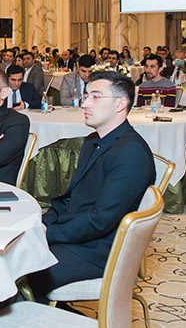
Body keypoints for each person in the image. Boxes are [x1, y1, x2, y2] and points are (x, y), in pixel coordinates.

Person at [27, 71, 155, 299]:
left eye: (96, 97)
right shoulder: (93, 141)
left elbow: (101, 220)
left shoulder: (130, 152)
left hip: (98, 250)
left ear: (120, 104)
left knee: (21, 270)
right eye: (87, 96)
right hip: (80, 233)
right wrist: (42, 224)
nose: (85, 103)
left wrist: (49, 234)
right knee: (12, 255)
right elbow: (71, 198)